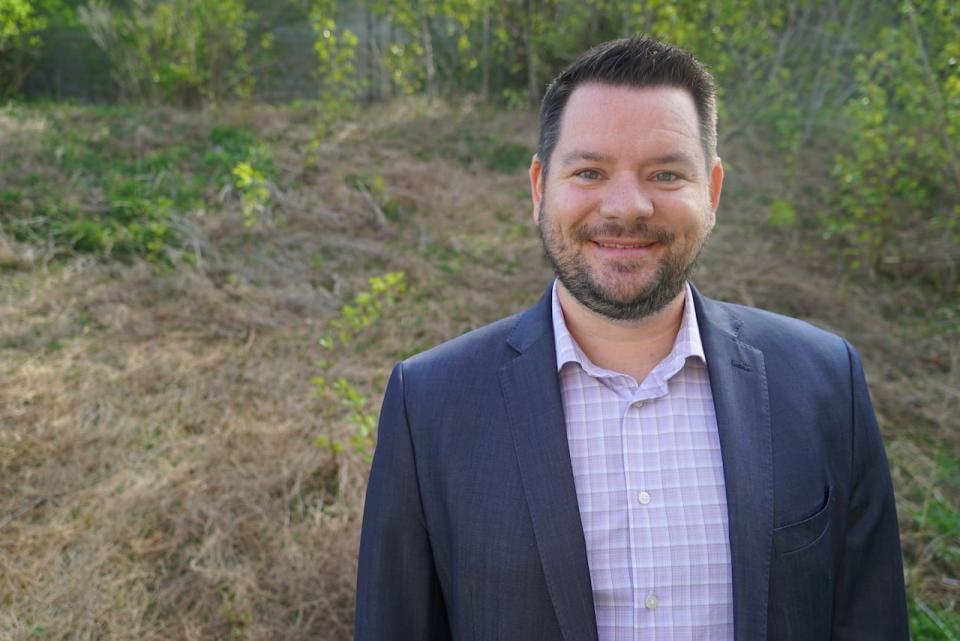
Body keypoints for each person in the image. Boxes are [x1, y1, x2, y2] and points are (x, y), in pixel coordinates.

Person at [354, 35, 909, 641]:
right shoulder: (429, 403)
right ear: (540, 189)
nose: (627, 206)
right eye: (589, 171)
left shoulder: (826, 382)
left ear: (713, 191)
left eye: (666, 173)